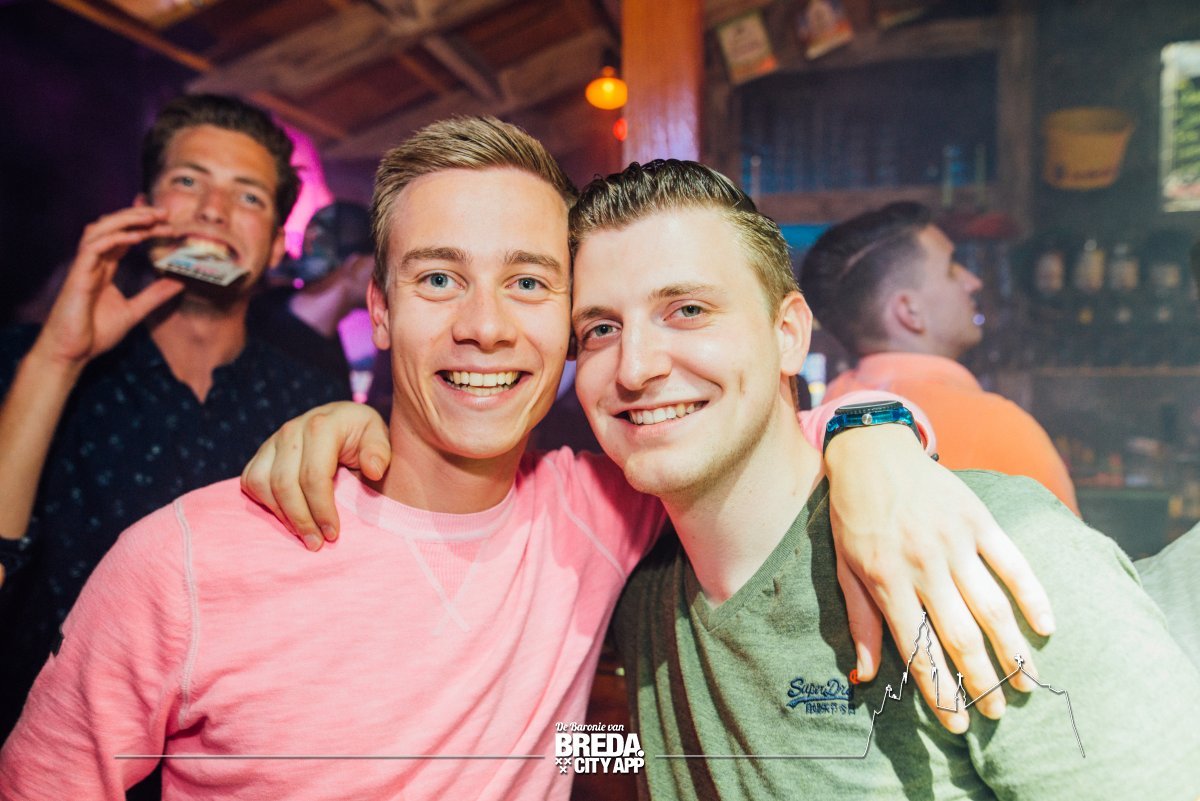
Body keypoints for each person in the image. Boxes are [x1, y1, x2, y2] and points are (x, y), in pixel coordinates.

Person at [1, 118, 1048, 799]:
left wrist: (875, 437)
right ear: (380, 311)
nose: (487, 326)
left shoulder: (599, 506)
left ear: (569, 326)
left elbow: (746, 437)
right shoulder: (183, 560)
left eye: (531, 283)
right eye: (439, 279)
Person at [563, 161, 1198, 798]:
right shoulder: (641, 590)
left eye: (688, 310)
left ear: (788, 335)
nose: (634, 368)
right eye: (601, 329)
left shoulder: (995, 547)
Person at [0, 94, 349, 740]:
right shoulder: (30, 365)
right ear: (143, 211)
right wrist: (58, 359)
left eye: (248, 196)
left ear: (277, 245)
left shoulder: (311, 401)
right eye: (189, 181)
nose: (213, 209)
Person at [800, 202, 1079, 513]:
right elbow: (1067, 544)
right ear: (910, 311)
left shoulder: (817, 425)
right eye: (951, 268)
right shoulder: (1001, 429)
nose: (973, 282)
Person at [249, 200, 375, 385]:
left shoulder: (253, 311)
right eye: (379, 263)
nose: (386, 278)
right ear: (356, 266)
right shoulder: (247, 325)